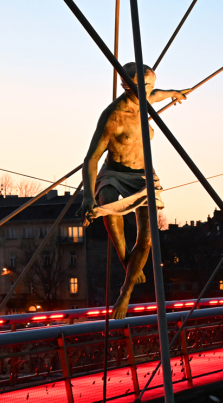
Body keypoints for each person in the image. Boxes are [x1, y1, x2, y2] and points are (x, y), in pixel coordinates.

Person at [81, 62, 189, 319]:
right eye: (143, 87)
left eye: (151, 86)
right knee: (106, 202)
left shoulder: (146, 101)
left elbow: (156, 93)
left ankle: (125, 292)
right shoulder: (113, 116)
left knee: (147, 239)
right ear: (126, 86)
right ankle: (127, 261)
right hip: (115, 173)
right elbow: (91, 159)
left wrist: (174, 93)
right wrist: (87, 196)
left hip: (143, 175)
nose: (149, 92)